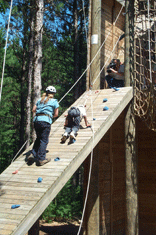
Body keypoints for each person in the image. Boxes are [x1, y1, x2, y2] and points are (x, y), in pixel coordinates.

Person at [27, 86, 59, 166]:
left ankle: (33, 154)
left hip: (37, 120)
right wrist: (49, 115)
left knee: (38, 138)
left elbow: (34, 110)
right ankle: (41, 159)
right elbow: (56, 114)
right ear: (53, 94)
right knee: (44, 140)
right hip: (45, 121)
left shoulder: (40, 100)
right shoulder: (54, 101)